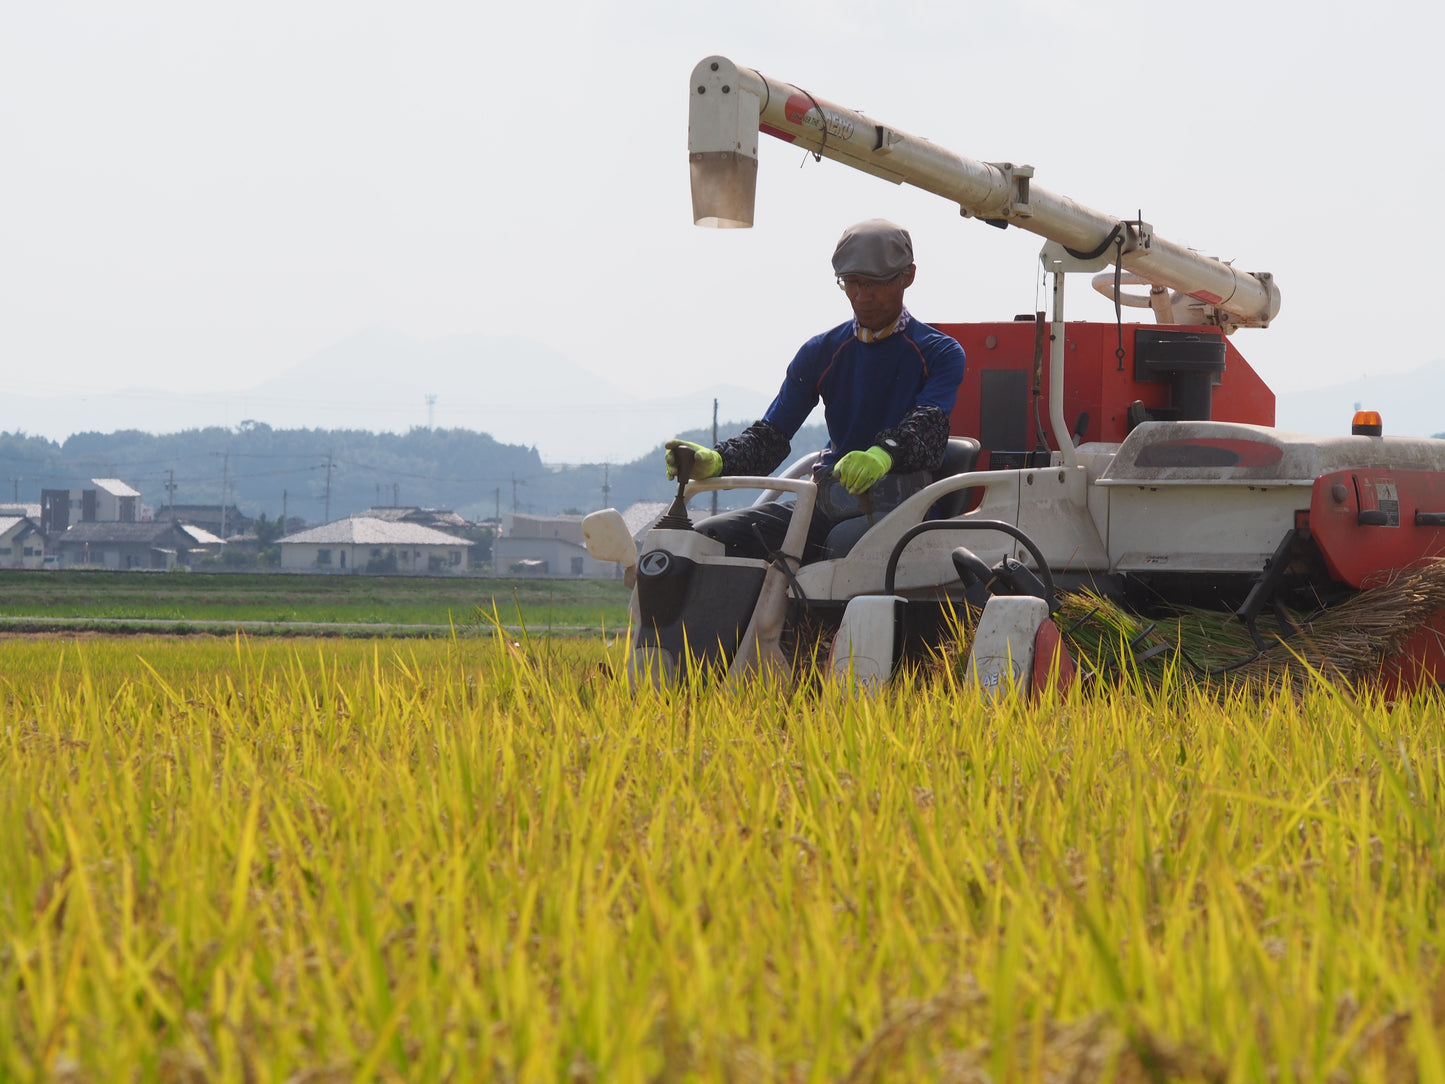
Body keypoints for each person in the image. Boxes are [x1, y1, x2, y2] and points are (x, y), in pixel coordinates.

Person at [663, 218, 966, 562]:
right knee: (713, 538)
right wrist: (719, 460)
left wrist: (883, 455)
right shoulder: (820, 352)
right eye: (851, 283)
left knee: (838, 547)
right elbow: (771, 437)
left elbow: (926, 427)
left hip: (905, 504)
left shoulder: (939, 352)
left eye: (874, 283)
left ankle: (809, 618)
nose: (861, 296)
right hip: (827, 501)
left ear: (907, 277)